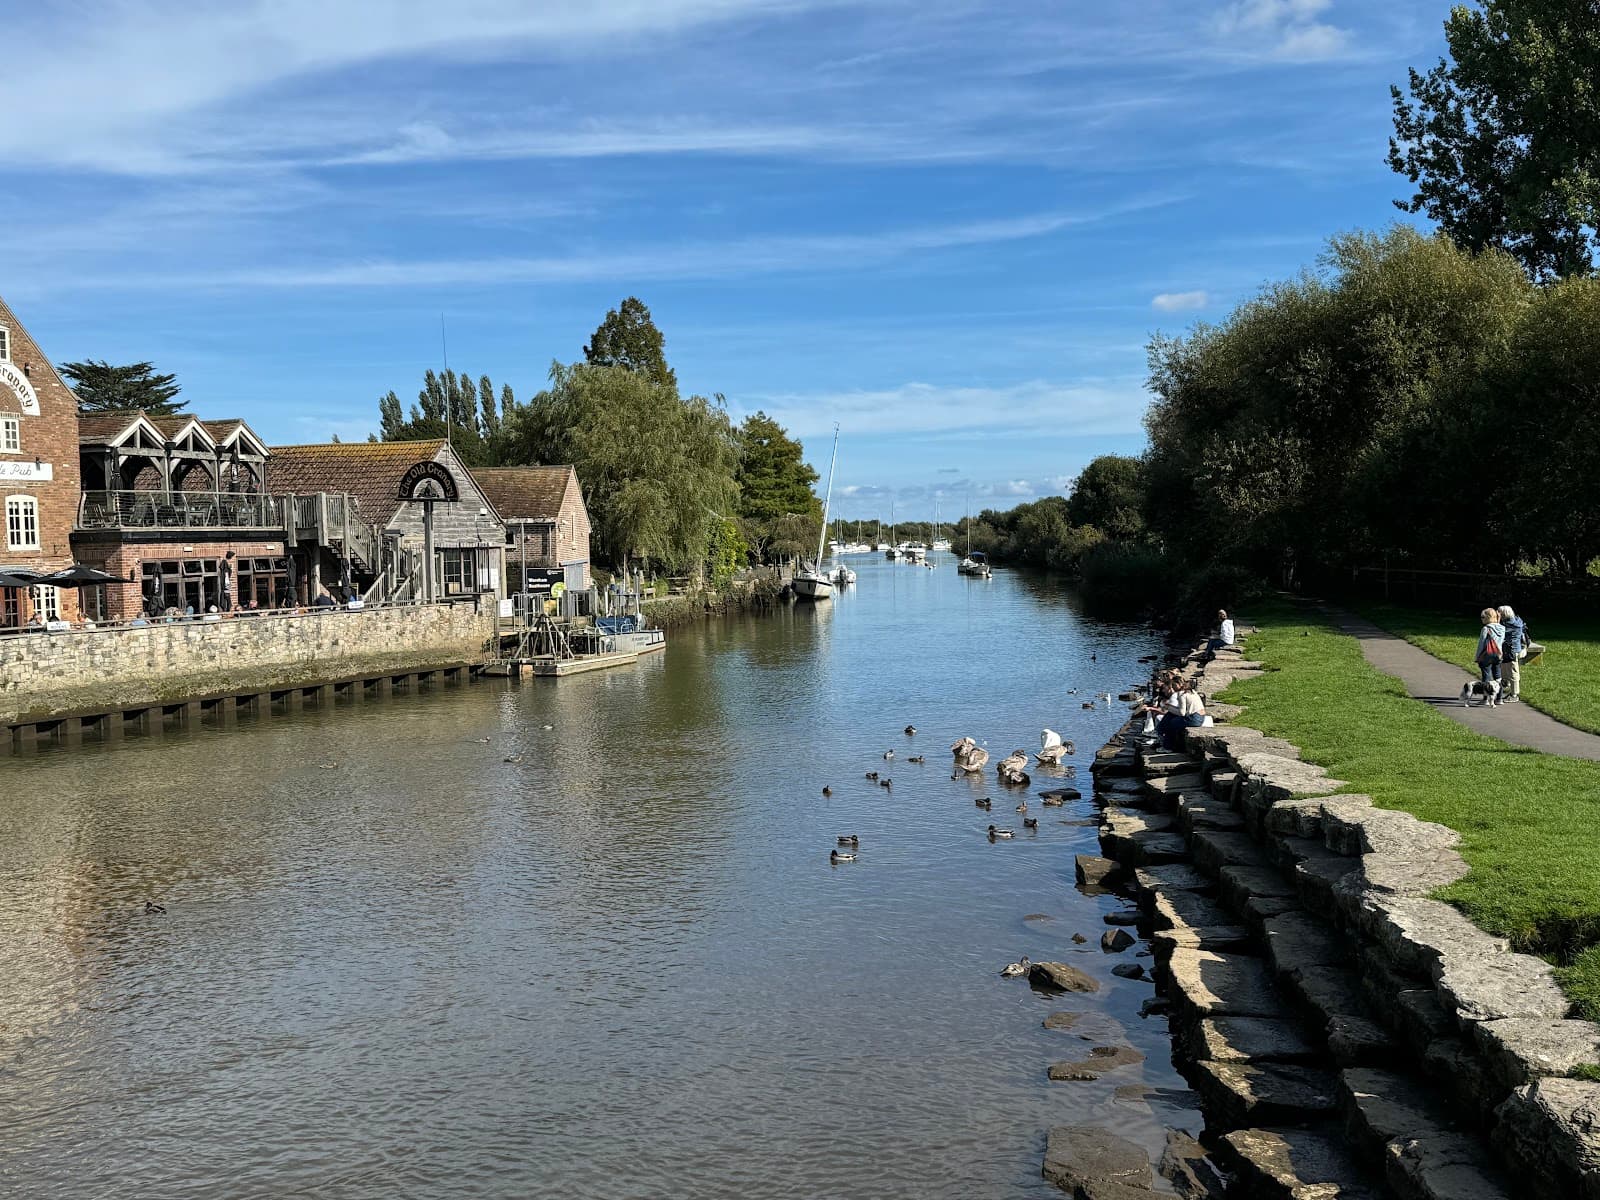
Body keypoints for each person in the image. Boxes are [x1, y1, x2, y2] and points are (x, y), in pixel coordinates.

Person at [1156, 680, 1208, 751]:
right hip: (1201, 717)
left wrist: (1168, 707)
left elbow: (1182, 713)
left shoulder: (1182, 695)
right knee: (1170, 715)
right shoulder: (1193, 693)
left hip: (1194, 719)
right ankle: (1160, 732)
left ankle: (1167, 746)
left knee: (1172, 723)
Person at [1475, 606, 1506, 706]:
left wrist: (1478, 657)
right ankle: (1499, 698)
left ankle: (1485, 699)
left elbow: (1481, 644)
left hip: (1487, 655)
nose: (1481, 619)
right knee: (1498, 677)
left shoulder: (1485, 629)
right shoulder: (1502, 628)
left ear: (1488, 618)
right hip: (1498, 655)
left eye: (1483, 617)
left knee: (1486, 677)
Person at [1498, 604, 1527, 704]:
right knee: (1505, 668)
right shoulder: (1517, 621)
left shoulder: (1509, 625)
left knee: (1513, 673)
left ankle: (1514, 695)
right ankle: (1506, 684)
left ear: (1504, 614)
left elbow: (1500, 633)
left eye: (1499, 613)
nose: (1498, 615)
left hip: (1511, 651)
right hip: (1511, 650)